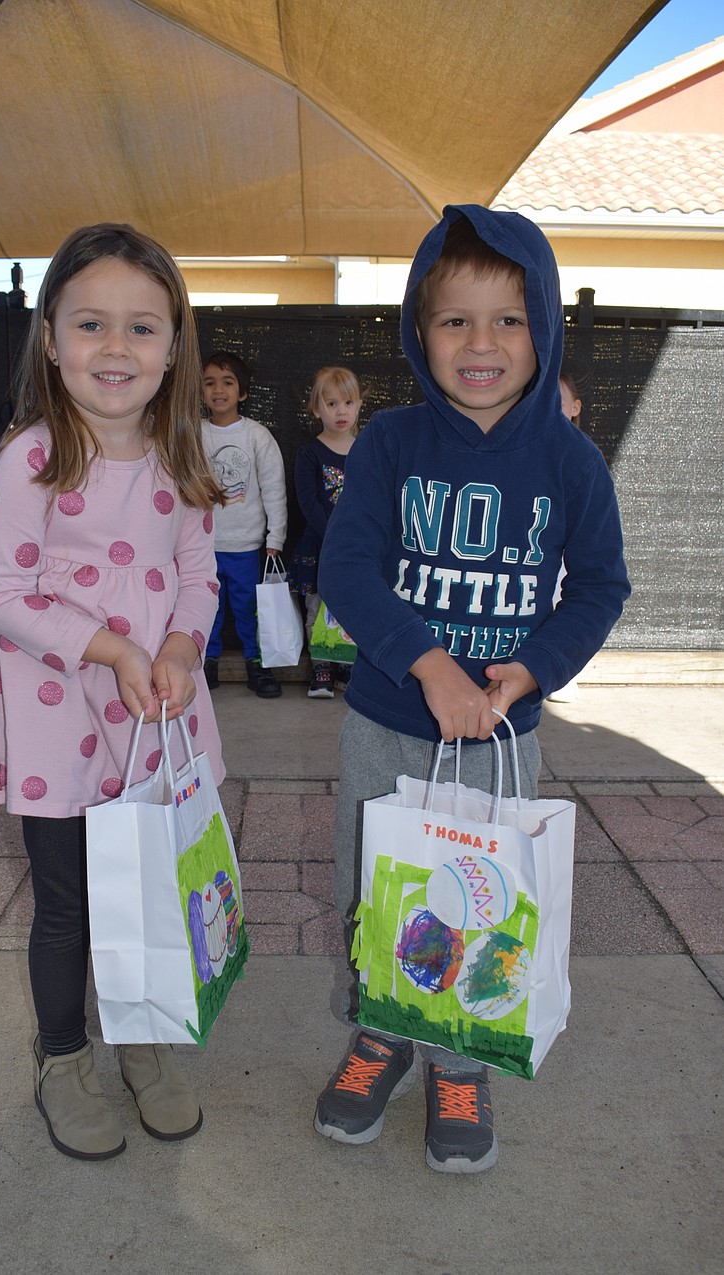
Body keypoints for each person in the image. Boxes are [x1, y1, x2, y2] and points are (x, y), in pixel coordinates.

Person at [315, 206, 630, 1173]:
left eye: (508, 319)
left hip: (501, 741)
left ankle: (461, 1057)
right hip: (386, 723)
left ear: (545, 327)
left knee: (477, 900)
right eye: (455, 320)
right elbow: (349, 568)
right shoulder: (389, 445)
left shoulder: (572, 463)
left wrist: (527, 670)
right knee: (378, 889)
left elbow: (603, 586)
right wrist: (430, 664)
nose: (481, 344)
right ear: (420, 331)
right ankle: (381, 1034)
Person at [0, 222, 225, 1161]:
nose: (115, 347)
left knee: (151, 890)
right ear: (50, 337)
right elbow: (4, 595)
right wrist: (114, 646)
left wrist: (182, 647)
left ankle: (143, 1038)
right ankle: (63, 1056)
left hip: (156, 720)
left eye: (141, 328)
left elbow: (199, 576)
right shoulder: (29, 461)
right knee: (69, 901)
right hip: (62, 720)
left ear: (173, 346)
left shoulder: (179, 458)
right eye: (90, 324)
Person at [200, 351, 287, 698]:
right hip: (201, 546)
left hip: (247, 546)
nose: (218, 389)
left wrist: (275, 537)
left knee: (251, 610)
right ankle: (206, 663)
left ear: (243, 392)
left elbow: (274, 489)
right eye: (209, 382)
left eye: (227, 382)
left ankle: (257, 665)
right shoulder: (192, 434)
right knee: (206, 609)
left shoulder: (257, 436)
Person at [289, 366, 363, 698]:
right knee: (317, 608)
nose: (341, 411)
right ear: (317, 409)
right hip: (319, 546)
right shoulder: (310, 453)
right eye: (331, 404)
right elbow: (308, 501)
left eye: (347, 402)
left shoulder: (367, 449)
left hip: (359, 548)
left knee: (354, 605)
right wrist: (334, 536)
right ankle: (321, 668)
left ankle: (346, 667)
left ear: (359, 404)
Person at [547, 369, 585, 702]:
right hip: (538, 542)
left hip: (568, 547)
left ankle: (564, 670)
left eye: (557, 403)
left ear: (575, 407)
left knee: (565, 597)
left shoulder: (586, 459)